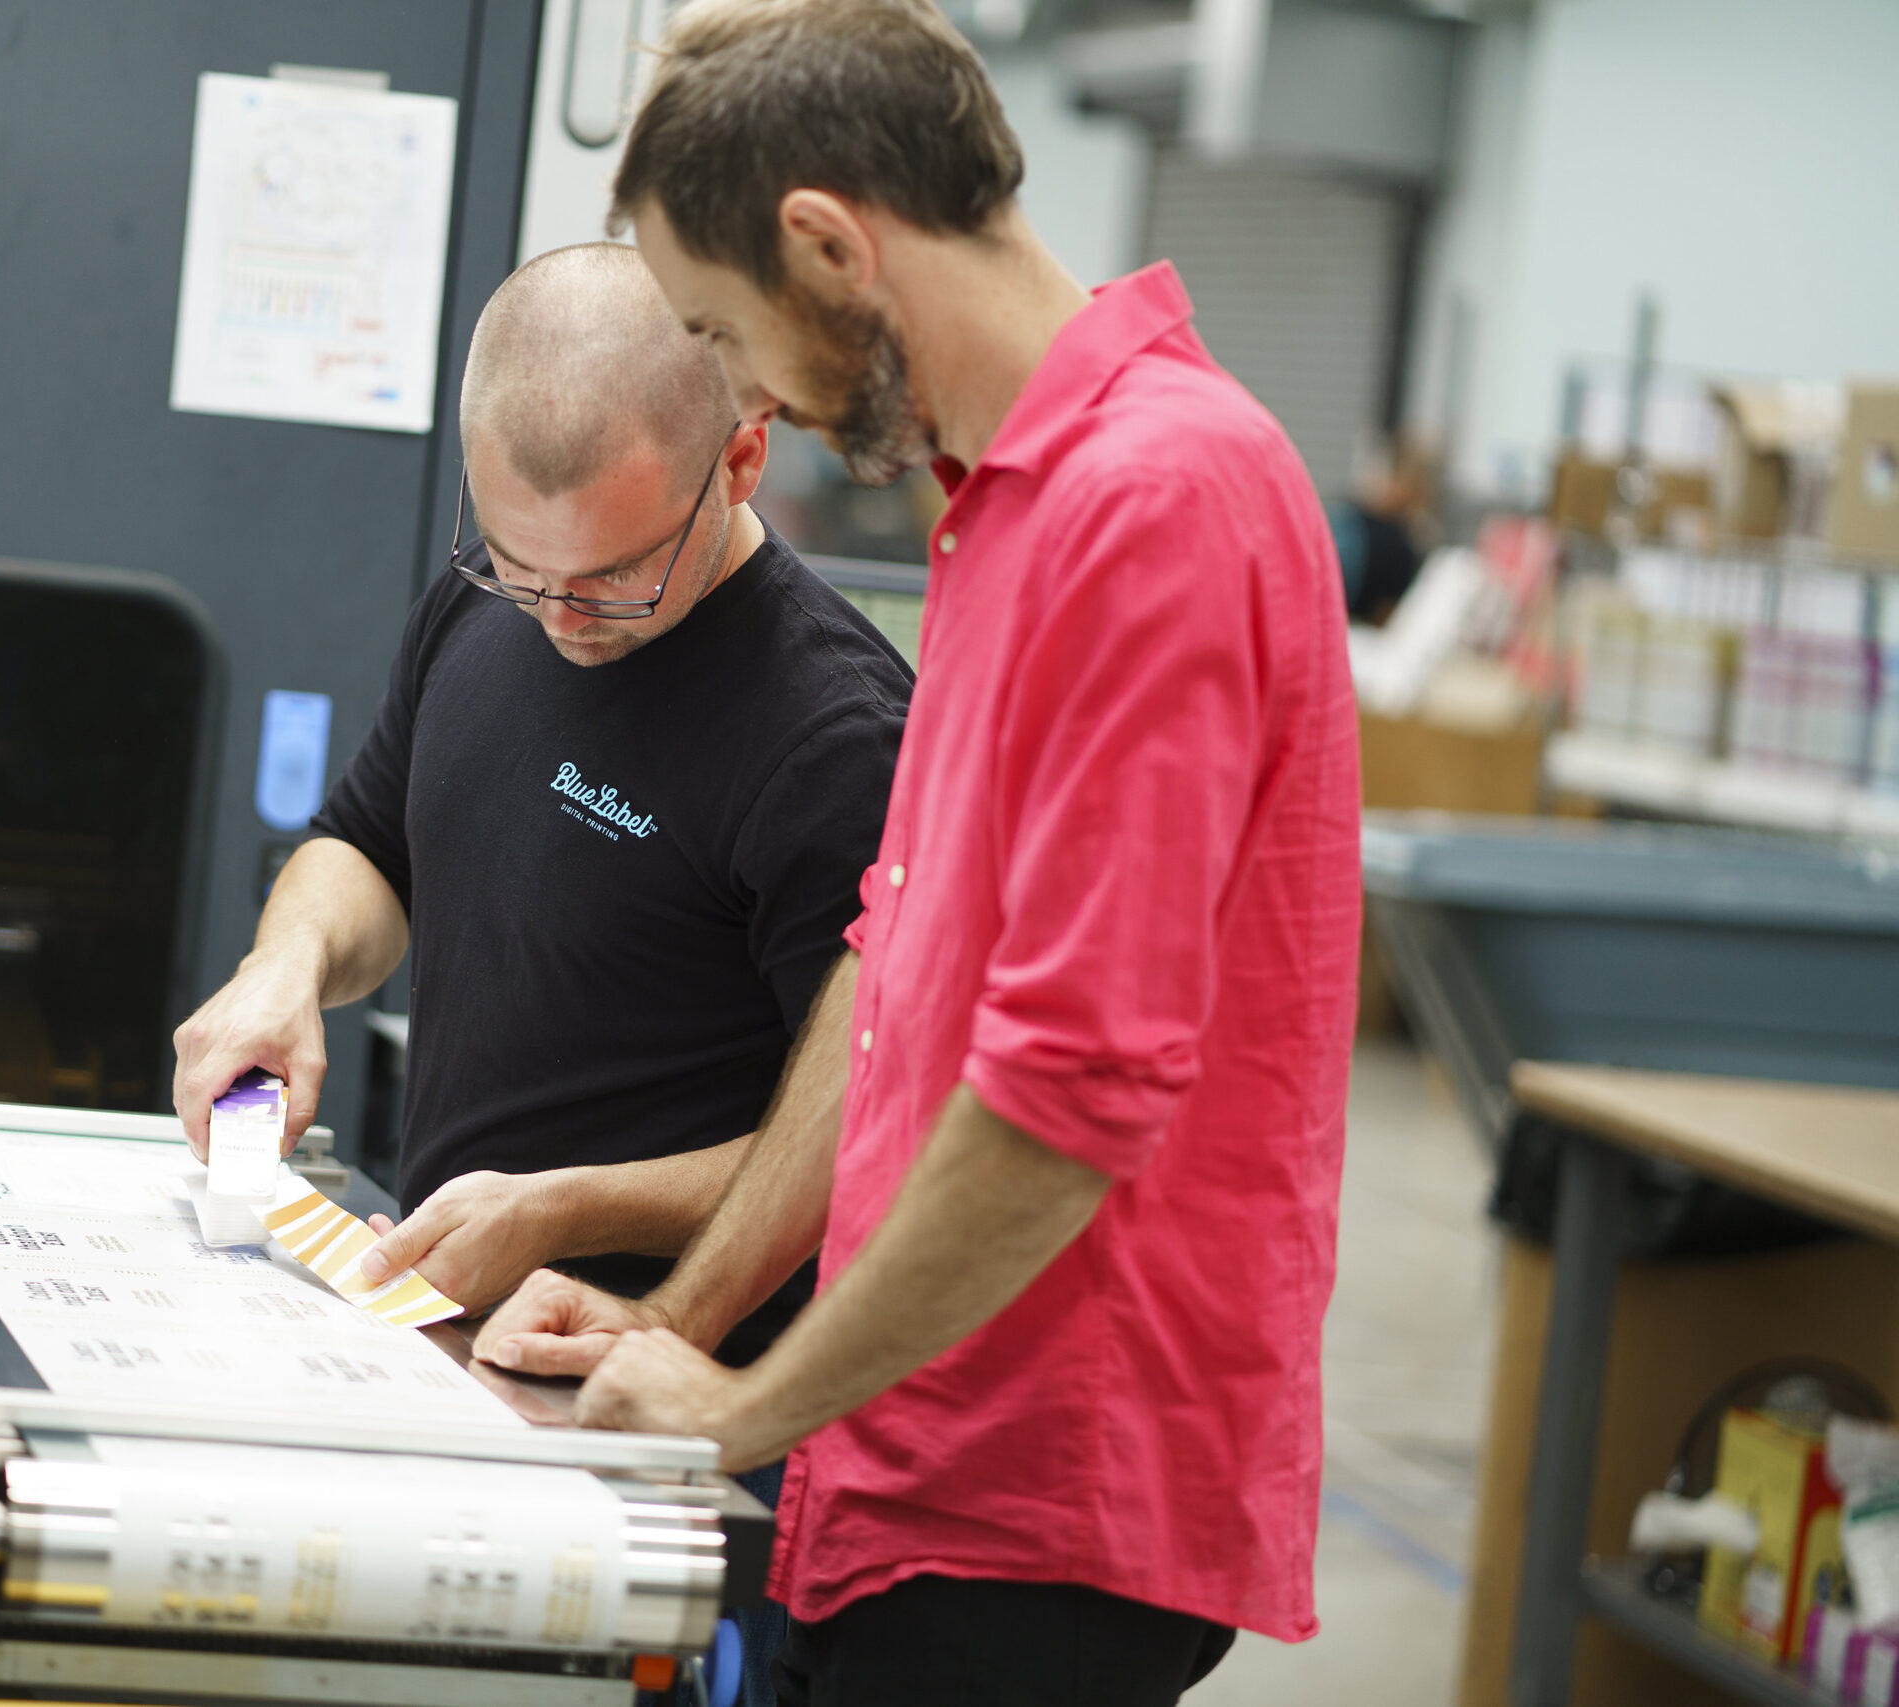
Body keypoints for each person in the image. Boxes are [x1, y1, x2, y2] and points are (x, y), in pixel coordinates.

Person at [470, 5, 1363, 1705]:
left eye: (730, 332)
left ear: (828, 245)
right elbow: (900, 990)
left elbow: (1069, 1096)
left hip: (1039, 1507)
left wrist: (748, 1402)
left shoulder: (1155, 503)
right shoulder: (1011, 504)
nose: (757, 402)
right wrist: (686, 1325)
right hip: (909, 1463)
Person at [171, 241, 913, 1707]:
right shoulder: (490, 607)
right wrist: (287, 964)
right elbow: (368, 842)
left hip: (621, 1429)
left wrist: (574, 1205)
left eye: (616, 580)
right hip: (425, 1363)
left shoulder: (839, 741)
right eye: (518, 567)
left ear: (744, 459)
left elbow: (868, 1136)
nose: (564, 619)